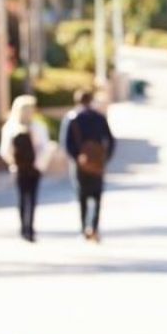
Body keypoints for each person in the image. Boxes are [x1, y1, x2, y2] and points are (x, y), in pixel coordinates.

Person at [0, 95, 51, 242]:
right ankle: (27, 228)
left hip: (23, 168)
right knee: (29, 198)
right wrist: (37, 165)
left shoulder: (15, 128)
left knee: (24, 197)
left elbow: (5, 151)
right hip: (29, 168)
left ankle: (26, 228)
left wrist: (14, 163)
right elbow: (45, 148)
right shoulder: (19, 128)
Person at [64, 90, 115, 243]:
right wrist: (105, 158)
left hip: (81, 163)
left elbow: (66, 143)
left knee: (82, 196)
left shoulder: (73, 118)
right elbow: (111, 140)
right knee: (97, 196)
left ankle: (83, 228)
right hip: (98, 162)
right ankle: (94, 227)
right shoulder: (99, 117)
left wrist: (77, 157)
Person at [58, 90, 87, 196]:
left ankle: (83, 211)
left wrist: (74, 157)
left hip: (78, 158)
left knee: (80, 189)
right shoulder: (98, 116)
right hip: (95, 159)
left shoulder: (71, 117)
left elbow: (65, 141)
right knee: (96, 190)